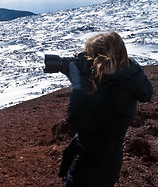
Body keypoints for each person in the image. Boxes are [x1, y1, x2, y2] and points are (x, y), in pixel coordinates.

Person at [62, 31, 153, 187]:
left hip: (95, 166)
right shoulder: (119, 79)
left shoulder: (117, 94)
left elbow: (79, 123)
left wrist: (77, 87)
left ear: (105, 59)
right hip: (94, 157)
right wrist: (84, 78)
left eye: (92, 58)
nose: (90, 63)